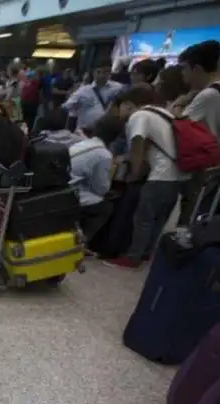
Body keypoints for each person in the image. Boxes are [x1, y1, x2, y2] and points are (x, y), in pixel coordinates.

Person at [104, 84, 188, 270]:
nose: (119, 115)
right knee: (159, 218)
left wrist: (134, 174)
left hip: (160, 175)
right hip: (179, 175)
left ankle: (132, 258)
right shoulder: (162, 113)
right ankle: (146, 253)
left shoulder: (139, 116)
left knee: (143, 218)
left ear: (127, 104)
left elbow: (138, 143)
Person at [68, 115, 125, 243]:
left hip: (65, 187)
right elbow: (101, 188)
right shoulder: (103, 154)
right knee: (105, 207)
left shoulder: (81, 143)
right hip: (75, 194)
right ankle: (82, 242)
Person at [178, 40, 220, 143]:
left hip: (212, 152)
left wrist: (178, 103)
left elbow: (177, 127)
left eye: (184, 68)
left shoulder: (207, 96)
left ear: (196, 69)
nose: (182, 73)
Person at [62, 64, 123, 135]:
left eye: (106, 72)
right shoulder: (83, 90)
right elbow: (67, 106)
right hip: (86, 131)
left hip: (107, 131)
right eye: (99, 72)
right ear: (93, 73)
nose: (102, 75)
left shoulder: (118, 88)